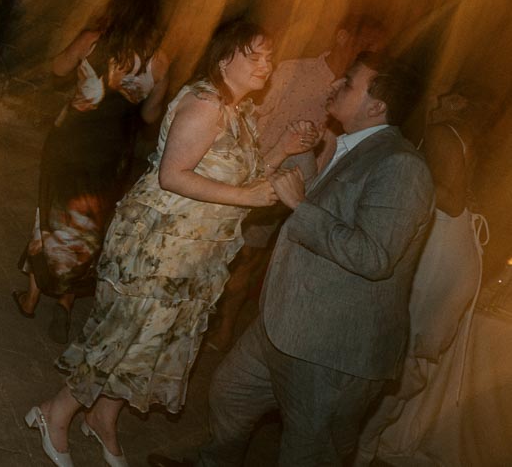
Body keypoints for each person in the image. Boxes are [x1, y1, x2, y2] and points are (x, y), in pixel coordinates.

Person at [27, 18, 319, 467]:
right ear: (225, 61)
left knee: (153, 343)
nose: (268, 64)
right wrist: (248, 196)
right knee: (123, 335)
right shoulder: (204, 104)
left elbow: (242, 169)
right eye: (255, 56)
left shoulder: (237, 111)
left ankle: (103, 418)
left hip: (195, 253)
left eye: (269, 56)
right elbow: (173, 174)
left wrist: (285, 148)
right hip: (157, 246)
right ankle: (55, 412)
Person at [156, 53, 432, 467]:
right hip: (286, 325)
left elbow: (373, 256)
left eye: (350, 82)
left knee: (309, 452)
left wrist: (299, 206)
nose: (336, 83)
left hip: (332, 348)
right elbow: (326, 201)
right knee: (229, 394)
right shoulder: (351, 146)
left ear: (377, 106)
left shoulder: (401, 166)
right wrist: (299, 154)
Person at [206, 14, 386, 350]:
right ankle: (205, 320)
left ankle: (226, 329)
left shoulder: (358, 101)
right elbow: (246, 122)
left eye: (377, 49)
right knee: (225, 251)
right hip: (252, 179)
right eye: (367, 44)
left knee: (254, 259)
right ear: (343, 35)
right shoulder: (290, 72)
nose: (370, 53)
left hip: (298, 193)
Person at [14, 0, 170, 334]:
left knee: (50, 213)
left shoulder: (93, 39)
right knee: (88, 224)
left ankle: (31, 299)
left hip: (70, 142)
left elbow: (58, 69)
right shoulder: (160, 60)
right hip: (111, 153)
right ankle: (66, 304)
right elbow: (149, 116)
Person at [354, 82, 489, 465]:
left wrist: (400, 181)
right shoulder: (456, 133)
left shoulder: (441, 132)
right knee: (407, 355)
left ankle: (363, 446)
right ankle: (367, 444)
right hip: (451, 249)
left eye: (444, 91)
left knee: (403, 349)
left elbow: (450, 196)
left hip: (441, 252)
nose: (434, 97)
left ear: (456, 99)